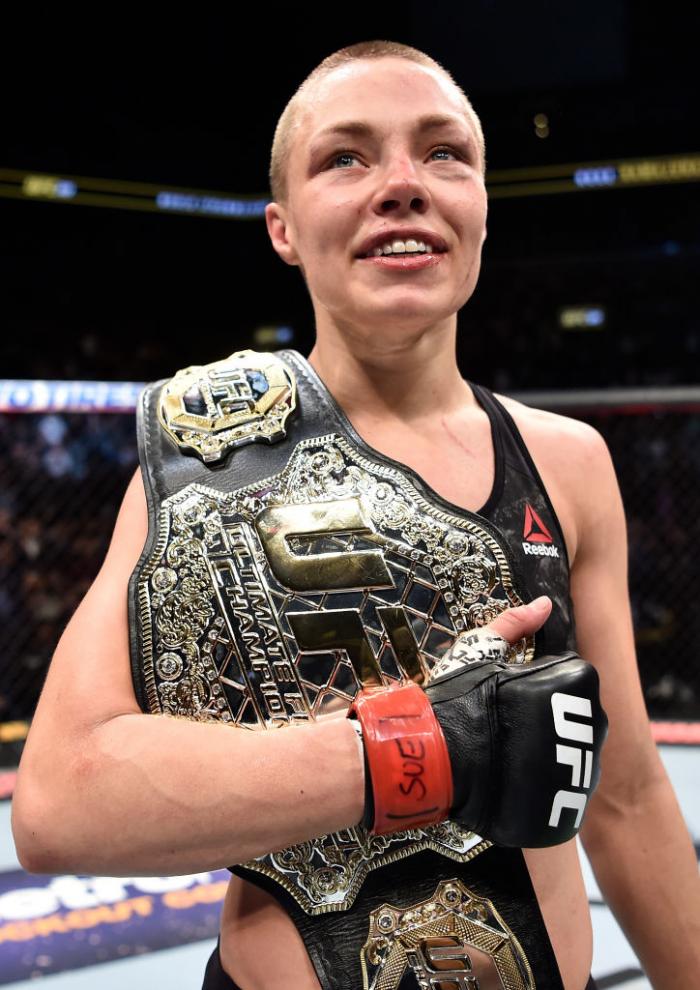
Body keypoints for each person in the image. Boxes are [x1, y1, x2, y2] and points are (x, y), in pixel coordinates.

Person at [11, 39, 700, 990]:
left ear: (483, 209)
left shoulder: (569, 463)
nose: (403, 185)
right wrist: (427, 749)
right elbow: (60, 804)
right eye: (347, 156)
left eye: (444, 152)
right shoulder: (205, 461)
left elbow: (621, 796)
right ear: (283, 227)